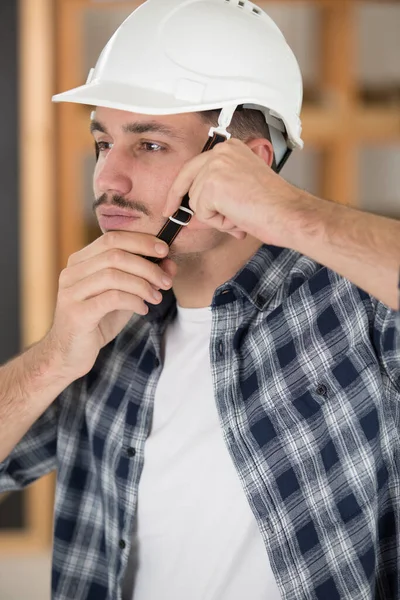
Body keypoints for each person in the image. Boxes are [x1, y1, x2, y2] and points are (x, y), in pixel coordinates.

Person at [0, 0, 399, 598]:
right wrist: (57, 356)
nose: (108, 178)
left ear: (247, 164)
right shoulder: (100, 323)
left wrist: (288, 212)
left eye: (150, 145)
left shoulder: (353, 305)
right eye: (103, 142)